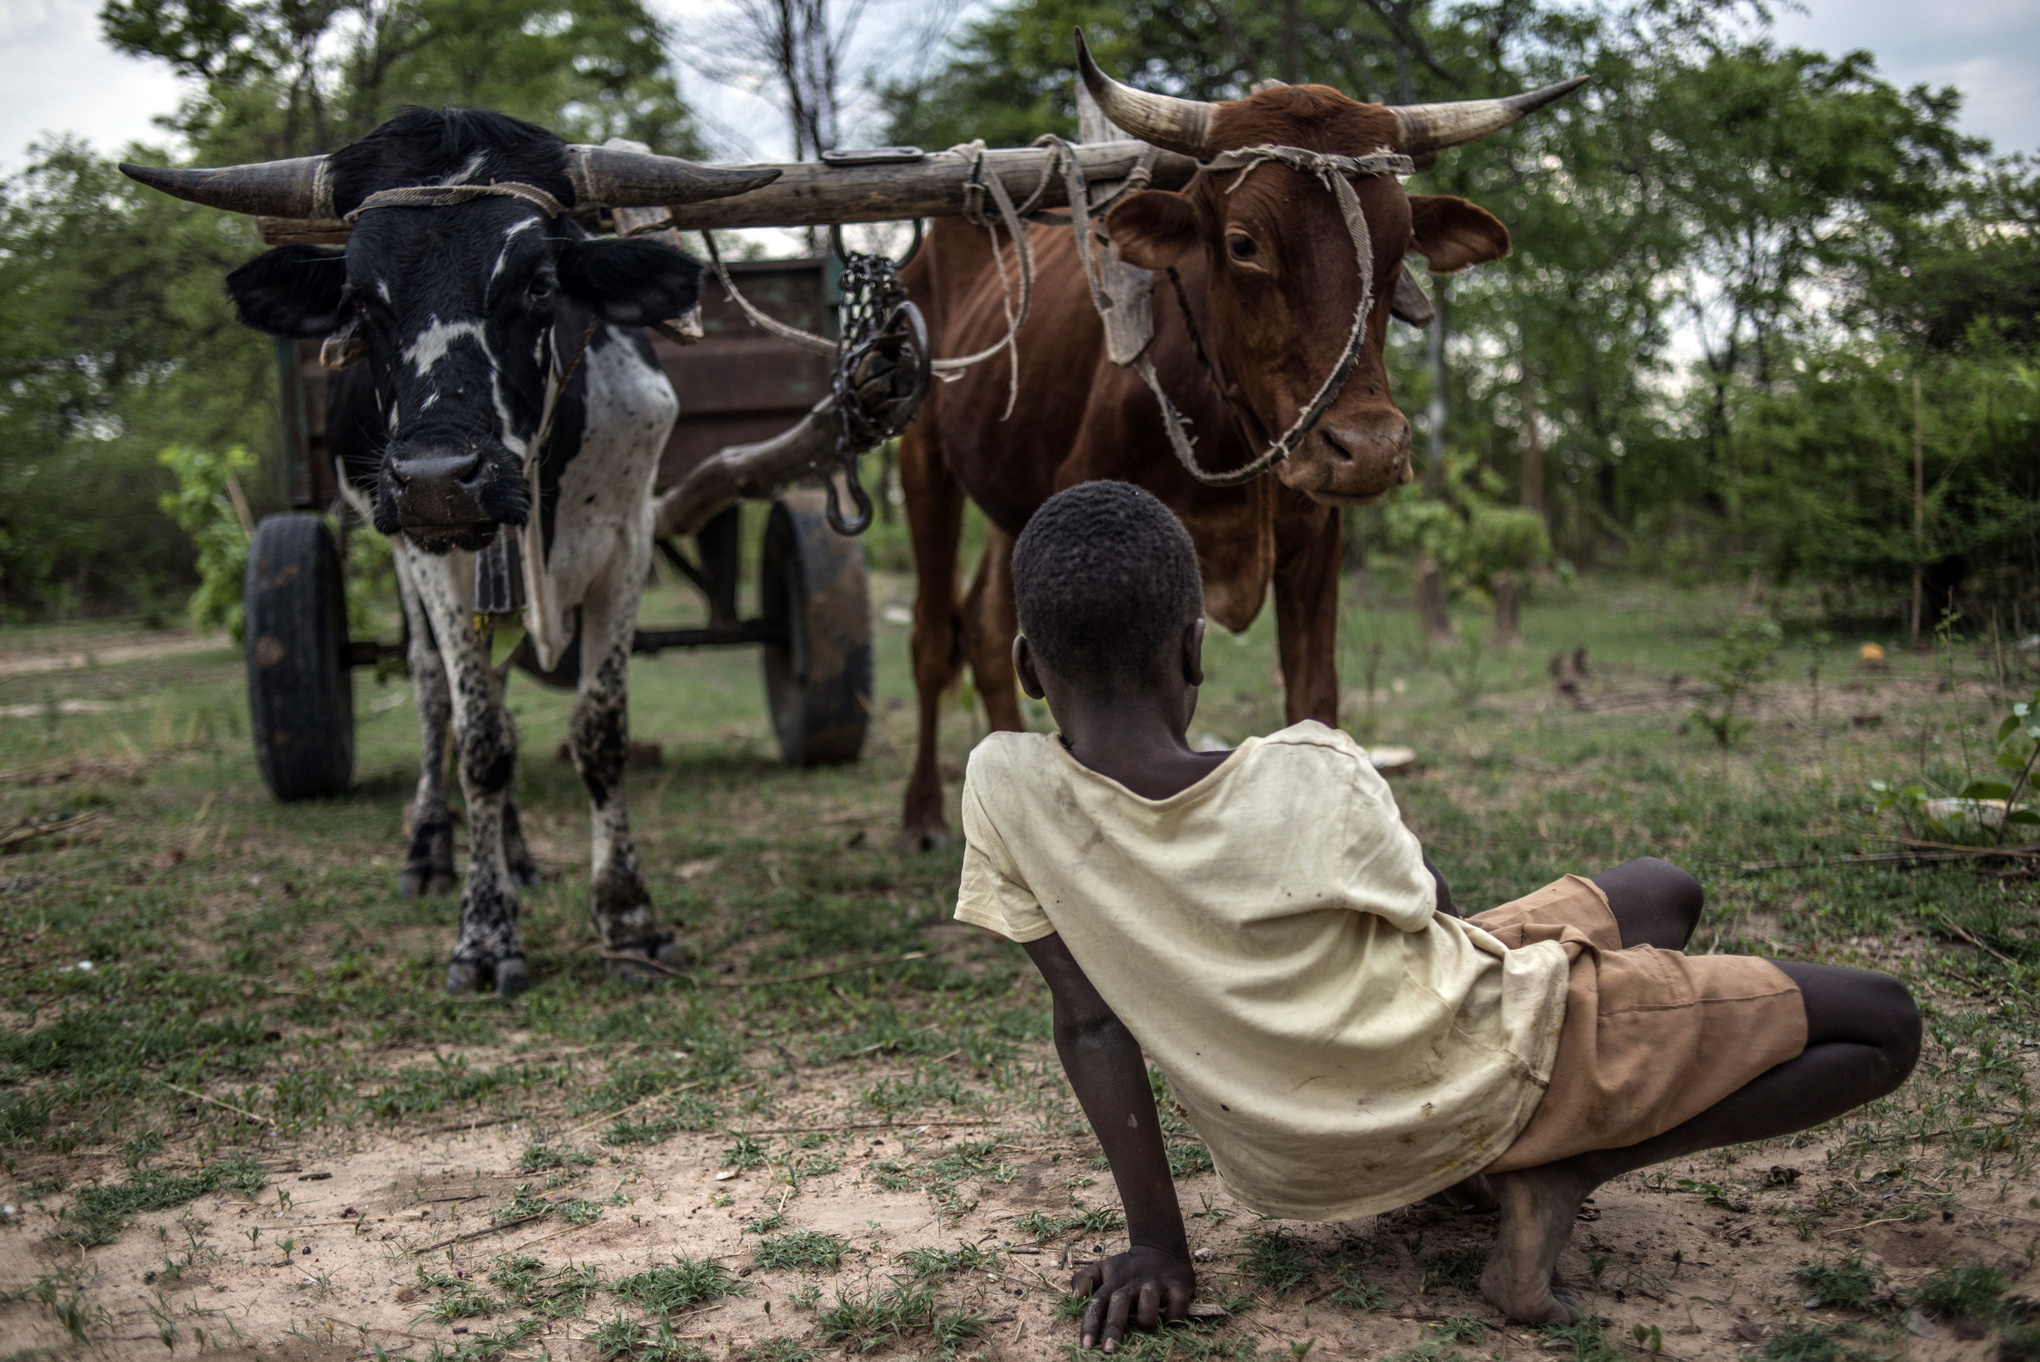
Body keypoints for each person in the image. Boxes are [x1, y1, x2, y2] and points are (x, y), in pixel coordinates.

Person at [954, 481, 1920, 1353]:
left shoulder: (1003, 787)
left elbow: (1088, 1022)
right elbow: (1439, 914)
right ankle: (1564, 1168)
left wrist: (1159, 1245)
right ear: (1195, 645)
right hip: (1473, 1063)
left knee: (1664, 892)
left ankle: (1513, 1138)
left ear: (1029, 669)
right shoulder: (1310, 770)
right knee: (1884, 1022)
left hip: (1301, 1156)